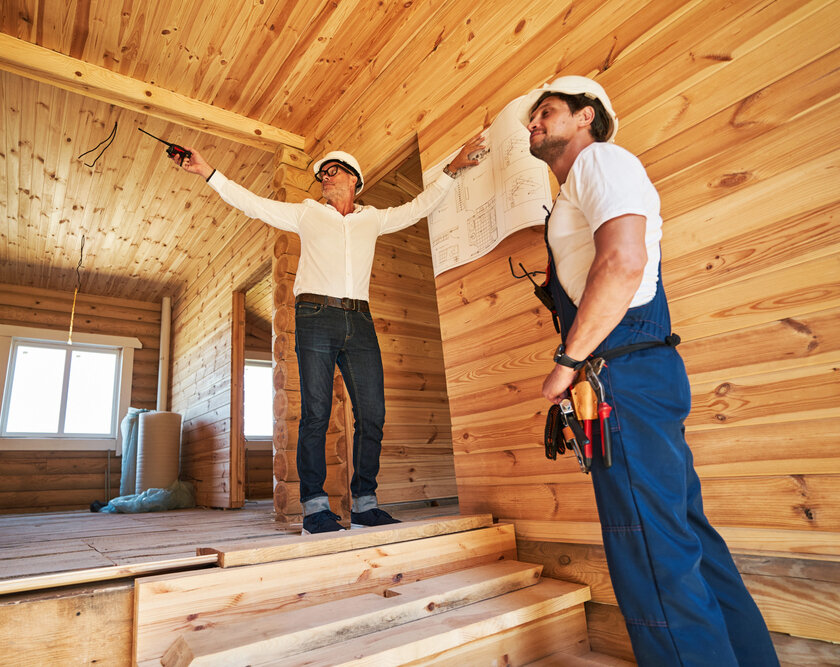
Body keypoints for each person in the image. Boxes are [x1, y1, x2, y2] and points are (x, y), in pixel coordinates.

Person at [519, 75, 779, 665]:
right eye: (530, 118)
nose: (532, 124)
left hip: (622, 372)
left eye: (547, 112)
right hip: (639, 368)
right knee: (684, 539)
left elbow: (624, 259)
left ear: (587, 116)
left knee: (651, 551)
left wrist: (568, 361)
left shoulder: (600, 161)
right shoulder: (582, 184)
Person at [177, 136, 483, 534]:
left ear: (354, 178)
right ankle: (315, 508)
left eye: (331, 171)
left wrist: (452, 168)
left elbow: (418, 207)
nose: (323, 177)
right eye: (320, 174)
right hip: (315, 316)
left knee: (372, 413)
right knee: (317, 413)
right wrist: (209, 172)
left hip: (360, 320)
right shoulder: (306, 214)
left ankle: (365, 504)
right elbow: (253, 204)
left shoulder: (372, 218)